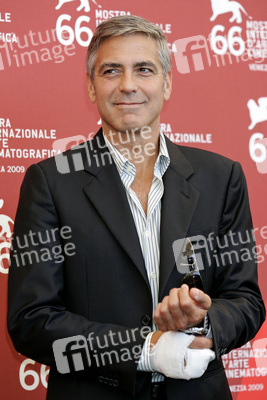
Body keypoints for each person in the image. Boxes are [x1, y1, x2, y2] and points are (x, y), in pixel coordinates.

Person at [7, 15, 265, 400]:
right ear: (92, 87)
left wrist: (204, 322)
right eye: (111, 71)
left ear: (167, 82)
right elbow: (31, 320)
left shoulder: (221, 177)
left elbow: (246, 301)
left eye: (144, 69)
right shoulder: (50, 182)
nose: (128, 85)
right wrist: (145, 351)